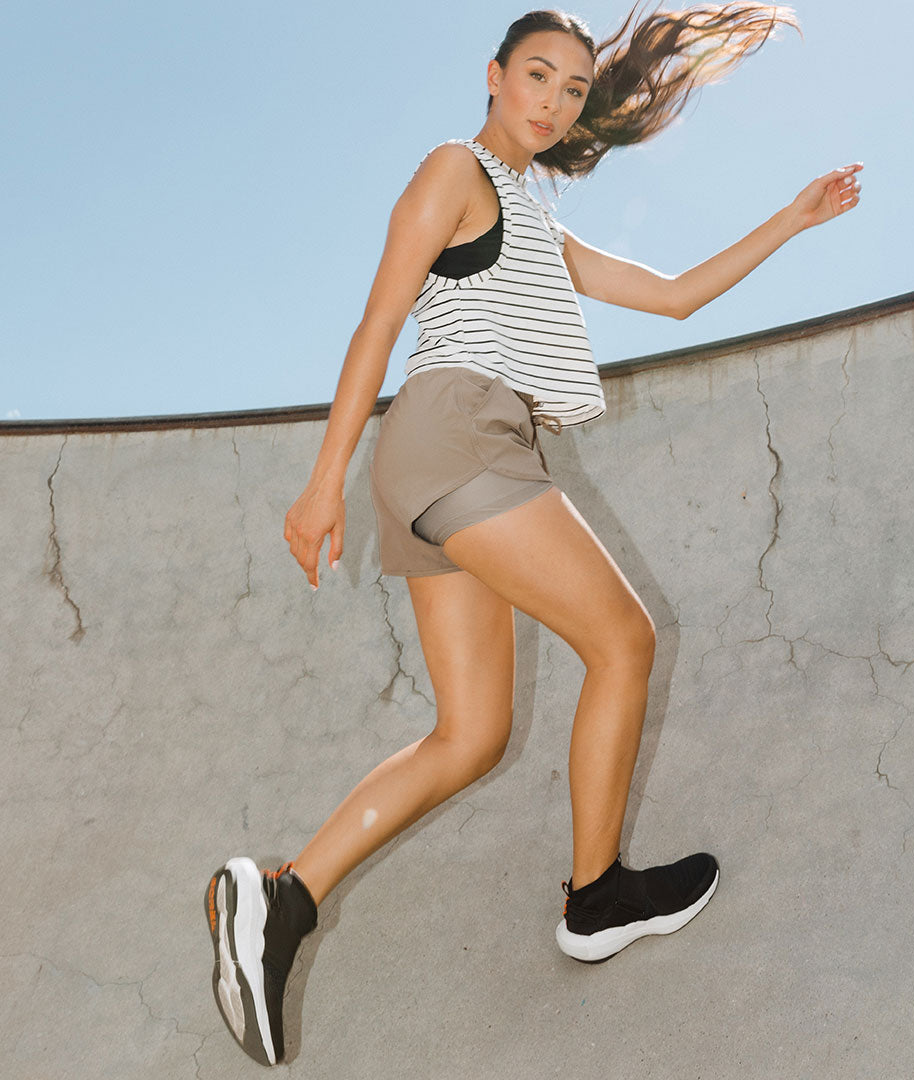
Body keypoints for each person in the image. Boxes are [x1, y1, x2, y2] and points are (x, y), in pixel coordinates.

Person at [205, 2, 862, 1066]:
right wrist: (321, 483)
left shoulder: (534, 226)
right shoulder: (451, 173)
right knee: (627, 643)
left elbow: (675, 296)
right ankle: (596, 897)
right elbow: (379, 320)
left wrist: (793, 218)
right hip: (460, 436)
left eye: (571, 88)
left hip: (458, 458)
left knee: (470, 736)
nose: (554, 101)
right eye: (538, 75)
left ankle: (279, 902)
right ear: (495, 75)